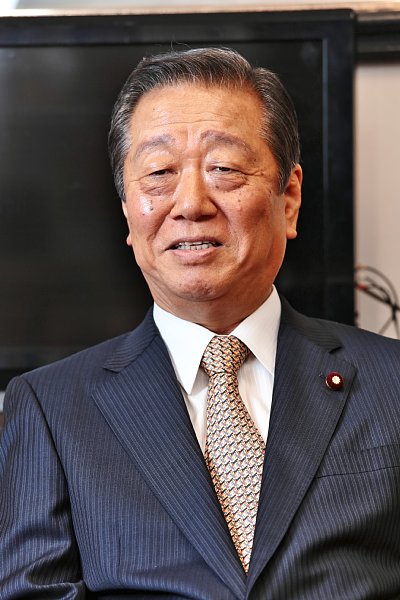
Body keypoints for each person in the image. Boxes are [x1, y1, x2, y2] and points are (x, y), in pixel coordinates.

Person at [1, 47, 399, 600]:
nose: (190, 204)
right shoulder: (49, 408)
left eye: (224, 169)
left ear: (288, 198)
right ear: (128, 211)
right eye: (159, 173)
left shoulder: (390, 381)